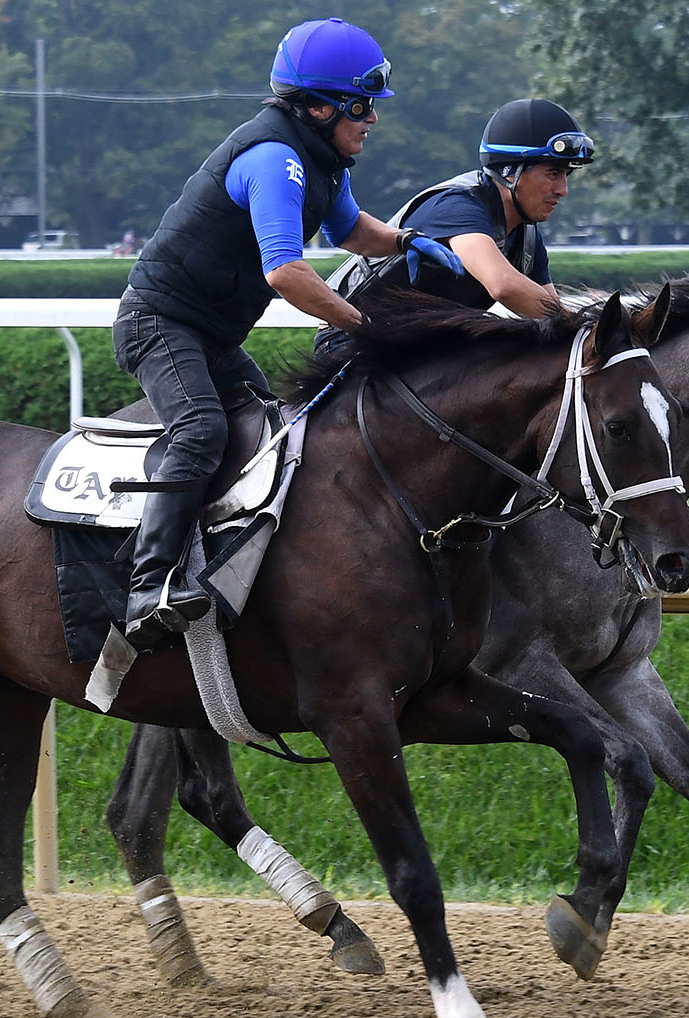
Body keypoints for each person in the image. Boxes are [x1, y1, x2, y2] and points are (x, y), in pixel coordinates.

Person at [114, 17, 463, 651]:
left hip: (210, 337)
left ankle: (232, 563)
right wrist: (367, 324)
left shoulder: (321, 158)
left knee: (275, 432)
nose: (372, 120)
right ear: (320, 104)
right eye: (363, 106)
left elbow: (355, 231)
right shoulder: (275, 159)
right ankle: (149, 587)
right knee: (201, 428)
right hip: (159, 323)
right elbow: (286, 273)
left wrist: (413, 242)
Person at [329, 97, 593, 318]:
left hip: (421, 347)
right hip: (354, 339)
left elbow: (549, 311)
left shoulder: (528, 238)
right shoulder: (459, 206)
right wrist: (587, 328)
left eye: (566, 176)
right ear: (511, 171)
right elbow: (503, 285)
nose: (562, 190)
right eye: (553, 173)